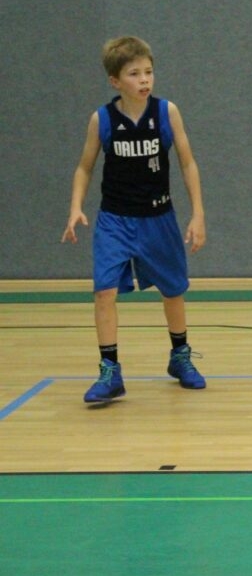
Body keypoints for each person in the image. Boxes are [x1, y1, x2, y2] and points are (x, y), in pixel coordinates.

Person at [62, 36, 207, 404]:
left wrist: (198, 214)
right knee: (104, 290)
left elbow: (188, 163)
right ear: (115, 81)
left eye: (148, 72)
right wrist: (76, 206)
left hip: (158, 217)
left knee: (173, 290)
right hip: (114, 219)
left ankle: (180, 355)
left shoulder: (167, 113)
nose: (144, 79)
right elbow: (84, 167)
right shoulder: (102, 119)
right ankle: (110, 370)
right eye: (134, 73)